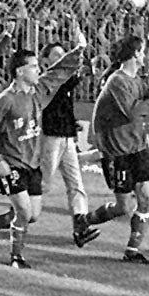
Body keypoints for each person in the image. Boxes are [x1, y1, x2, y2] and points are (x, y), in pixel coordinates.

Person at [0, 34, 91, 269]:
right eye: (34, 66)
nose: (39, 70)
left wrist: (79, 49)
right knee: (24, 211)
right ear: (19, 71)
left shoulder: (37, 93)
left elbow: (57, 74)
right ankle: (16, 257)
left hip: (33, 165)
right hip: (13, 166)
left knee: (33, 214)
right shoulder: (6, 100)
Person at [86, 35, 149, 264]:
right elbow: (134, 113)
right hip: (117, 149)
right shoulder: (117, 81)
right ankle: (84, 221)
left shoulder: (136, 80)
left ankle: (132, 251)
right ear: (135, 54)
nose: (146, 55)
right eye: (144, 51)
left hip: (136, 145)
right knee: (122, 206)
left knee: (145, 197)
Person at [37, 40, 100, 248]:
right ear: (45, 61)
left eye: (63, 54)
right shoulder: (46, 80)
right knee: (43, 186)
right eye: (56, 55)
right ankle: (4, 220)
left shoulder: (64, 80)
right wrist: (79, 56)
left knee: (76, 184)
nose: (61, 58)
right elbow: (68, 83)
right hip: (51, 137)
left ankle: (80, 227)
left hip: (65, 135)